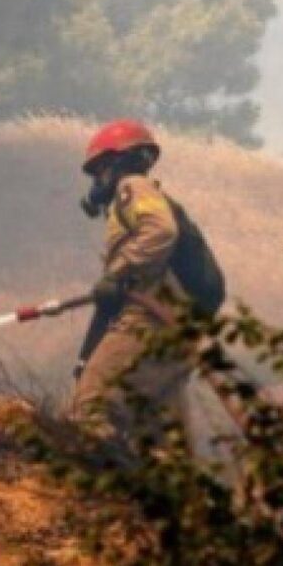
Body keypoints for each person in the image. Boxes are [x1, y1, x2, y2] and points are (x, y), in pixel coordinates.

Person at [71, 119, 190, 441]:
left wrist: (117, 272)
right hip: (176, 324)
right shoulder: (138, 195)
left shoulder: (132, 186)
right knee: (159, 431)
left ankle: (94, 486)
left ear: (119, 161)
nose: (97, 180)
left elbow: (161, 231)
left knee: (91, 401)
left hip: (148, 316)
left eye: (99, 169)